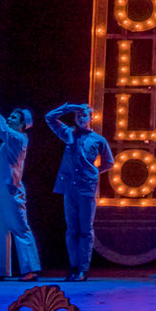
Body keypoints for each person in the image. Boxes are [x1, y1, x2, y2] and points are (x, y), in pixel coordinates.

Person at [45, 102, 114, 281]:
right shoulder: (68, 133)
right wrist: (69, 107)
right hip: (69, 187)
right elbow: (49, 118)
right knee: (71, 229)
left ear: (91, 118)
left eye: (85, 116)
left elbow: (109, 162)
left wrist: (93, 173)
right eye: (78, 116)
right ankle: (74, 266)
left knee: (85, 229)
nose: (81, 119)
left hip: (87, 188)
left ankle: (83, 268)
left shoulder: (98, 140)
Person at [0, 99, 41, 282]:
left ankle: (31, 269)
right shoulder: (8, 141)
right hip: (1, 188)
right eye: (10, 115)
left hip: (11, 190)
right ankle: (2, 270)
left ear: (23, 124)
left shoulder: (18, 138)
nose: (10, 117)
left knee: (19, 228)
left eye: (14, 116)